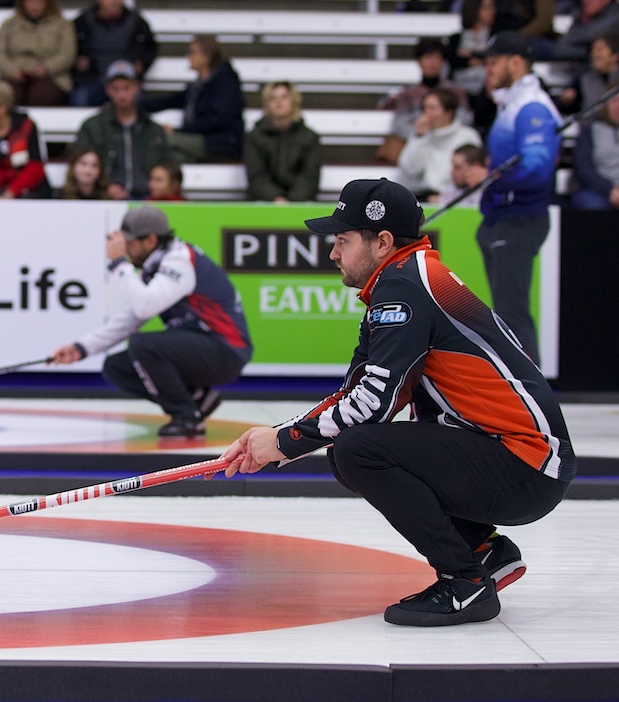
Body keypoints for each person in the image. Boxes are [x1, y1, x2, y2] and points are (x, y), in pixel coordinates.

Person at [221, 177, 574, 627]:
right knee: (350, 446)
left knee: (357, 450)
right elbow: (356, 394)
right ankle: (484, 552)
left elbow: (372, 404)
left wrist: (289, 441)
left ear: (383, 241)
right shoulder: (406, 279)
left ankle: (464, 582)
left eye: (343, 240)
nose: (333, 253)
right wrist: (281, 438)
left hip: (525, 464)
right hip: (523, 458)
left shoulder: (404, 289)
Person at [50, 207, 251, 437]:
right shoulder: (157, 264)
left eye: (130, 244)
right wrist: (82, 348)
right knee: (116, 367)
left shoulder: (179, 261)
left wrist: (118, 265)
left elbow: (145, 305)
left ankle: (187, 417)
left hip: (226, 351)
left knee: (142, 346)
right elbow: (131, 318)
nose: (126, 251)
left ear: (150, 240)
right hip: (206, 347)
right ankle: (197, 398)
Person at [477, 30, 561, 366]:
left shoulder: (531, 107)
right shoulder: (512, 103)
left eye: (493, 62)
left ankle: (531, 394)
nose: (488, 70)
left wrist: (497, 178)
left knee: (512, 313)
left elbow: (538, 168)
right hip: (501, 216)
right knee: (504, 313)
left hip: (519, 217)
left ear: (516, 62)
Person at [72, 59, 169, 199]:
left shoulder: (153, 129)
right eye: (116, 89)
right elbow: (78, 163)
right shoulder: (92, 126)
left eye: (126, 88)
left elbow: (168, 166)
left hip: (149, 199)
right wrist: (105, 186)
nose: (121, 95)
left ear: (136, 87)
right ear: (108, 90)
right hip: (104, 198)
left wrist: (156, 186)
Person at [143, 35, 244, 164]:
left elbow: (218, 119)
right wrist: (135, 105)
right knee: (167, 159)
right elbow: (171, 100)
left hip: (219, 142)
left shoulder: (225, 83)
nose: (188, 56)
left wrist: (179, 130)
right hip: (201, 140)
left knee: (163, 139)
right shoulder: (198, 86)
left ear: (206, 56)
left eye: (192, 52)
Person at [377, 38, 469, 166]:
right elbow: (399, 125)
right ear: (419, 61)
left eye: (437, 58)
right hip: (418, 145)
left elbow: (464, 119)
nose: (433, 63)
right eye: (428, 57)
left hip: (448, 145)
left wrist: (442, 131)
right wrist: (422, 132)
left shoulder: (456, 92)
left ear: (443, 61)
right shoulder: (407, 95)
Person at [397, 87, 484, 200]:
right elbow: (410, 169)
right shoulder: (420, 136)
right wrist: (419, 137)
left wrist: (446, 197)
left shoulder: (468, 136)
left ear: (448, 112)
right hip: (423, 195)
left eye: (432, 108)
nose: (426, 113)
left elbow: (473, 174)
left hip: (458, 197)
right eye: (424, 108)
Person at [243, 80, 322, 203]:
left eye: (284, 97)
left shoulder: (310, 137)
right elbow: (256, 176)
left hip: (301, 202)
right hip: (264, 200)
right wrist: (276, 198)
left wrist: (292, 200)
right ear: (266, 104)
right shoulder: (254, 137)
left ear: (294, 101)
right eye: (273, 98)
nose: (278, 102)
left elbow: (310, 176)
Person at [69, 0, 156, 108]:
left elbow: (150, 48)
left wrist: (142, 63)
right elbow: (68, 48)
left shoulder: (137, 23)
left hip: (125, 81)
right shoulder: (82, 22)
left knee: (137, 100)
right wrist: (77, 59)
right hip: (92, 80)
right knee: (80, 98)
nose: (113, 2)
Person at [0, 0, 76, 107]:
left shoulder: (63, 24)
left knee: (42, 95)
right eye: (29, 2)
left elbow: (67, 54)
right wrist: (11, 70)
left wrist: (47, 67)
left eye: (38, 2)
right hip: (15, 73)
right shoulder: (9, 24)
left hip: (52, 76)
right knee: (7, 94)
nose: (34, 6)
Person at [571, 85, 619, 209]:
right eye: (614, 101)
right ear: (605, 105)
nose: (618, 106)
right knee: (592, 205)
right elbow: (584, 168)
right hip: (598, 191)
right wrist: (609, 190)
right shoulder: (590, 131)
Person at [560, 34, 619, 115]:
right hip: (591, 125)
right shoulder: (583, 79)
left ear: (615, 55)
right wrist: (567, 102)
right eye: (593, 49)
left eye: (600, 49)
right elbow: (573, 109)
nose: (594, 53)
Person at [553, 0, 619, 63]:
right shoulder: (580, 15)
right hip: (570, 65)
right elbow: (562, 46)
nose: (586, 1)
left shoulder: (614, 18)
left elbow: (589, 37)